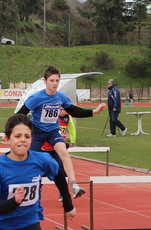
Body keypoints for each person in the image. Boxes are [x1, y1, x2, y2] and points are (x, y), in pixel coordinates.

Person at [16, 65, 105, 199]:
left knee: (63, 151)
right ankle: (26, 189)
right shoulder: (36, 98)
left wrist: (94, 111)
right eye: (52, 80)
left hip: (53, 130)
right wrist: (8, 132)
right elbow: (20, 114)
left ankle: (74, 185)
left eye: (57, 80)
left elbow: (73, 111)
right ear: (45, 81)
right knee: (31, 160)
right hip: (38, 132)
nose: (55, 83)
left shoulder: (61, 97)